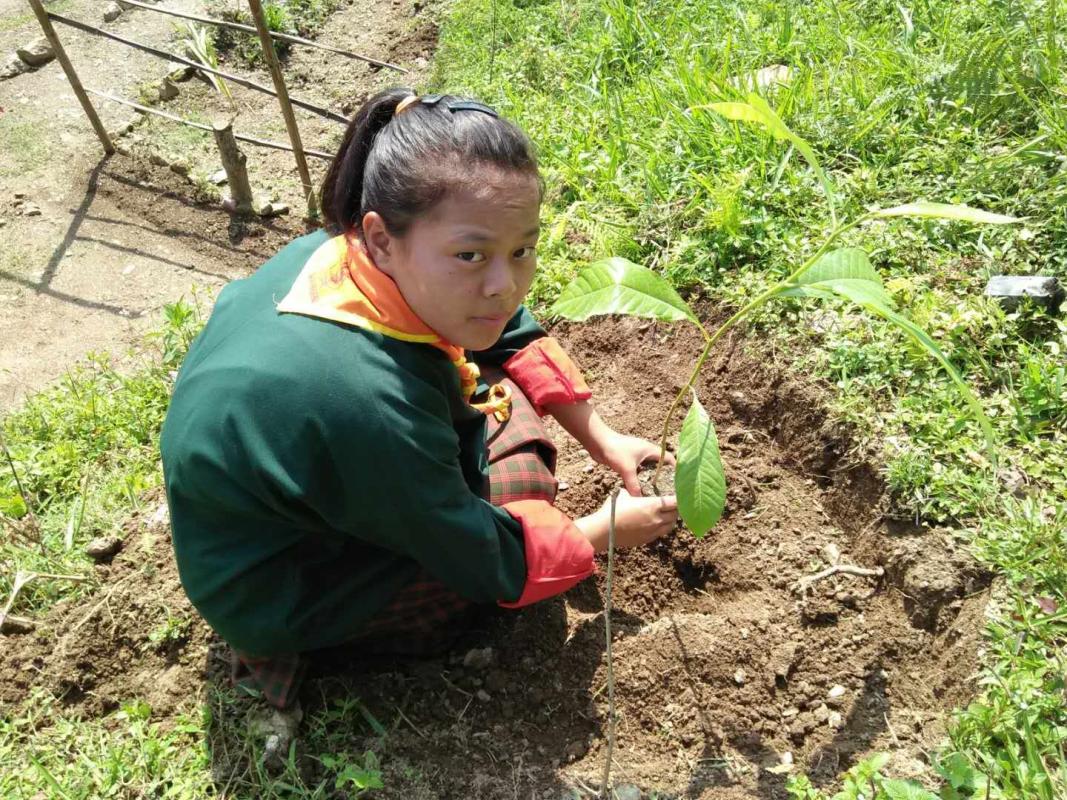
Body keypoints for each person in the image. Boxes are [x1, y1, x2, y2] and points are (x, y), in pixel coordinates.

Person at [160, 88, 678, 710]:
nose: (504, 283)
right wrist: (602, 532)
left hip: (274, 513)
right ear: (381, 238)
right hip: (277, 586)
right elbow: (481, 556)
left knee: (498, 389)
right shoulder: (367, 406)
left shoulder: (332, 253)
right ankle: (303, 648)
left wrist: (601, 435)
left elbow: (508, 324)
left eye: (522, 250)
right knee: (524, 471)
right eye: (470, 255)